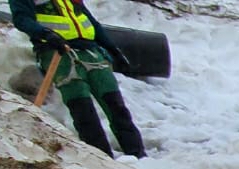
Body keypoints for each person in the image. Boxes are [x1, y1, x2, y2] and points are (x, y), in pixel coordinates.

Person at [10, 0, 145, 158]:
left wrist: (112, 49)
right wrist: (45, 34)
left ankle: (138, 155)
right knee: (83, 109)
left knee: (116, 105)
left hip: (90, 51)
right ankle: (102, 159)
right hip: (57, 52)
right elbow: (21, 19)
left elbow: (89, 19)